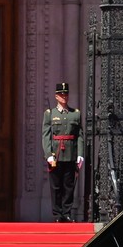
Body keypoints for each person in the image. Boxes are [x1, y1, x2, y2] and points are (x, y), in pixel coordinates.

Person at [41, 81, 84, 222]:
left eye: (66, 94)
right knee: (56, 186)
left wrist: (80, 154)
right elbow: (46, 135)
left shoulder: (75, 114)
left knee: (69, 185)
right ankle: (57, 214)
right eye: (61, 94)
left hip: (70, 154)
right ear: (56, 96)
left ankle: (67, 212)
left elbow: (79, 136)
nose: (64, 97)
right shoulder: (50, 114)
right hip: (56, 155)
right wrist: (48, 154)